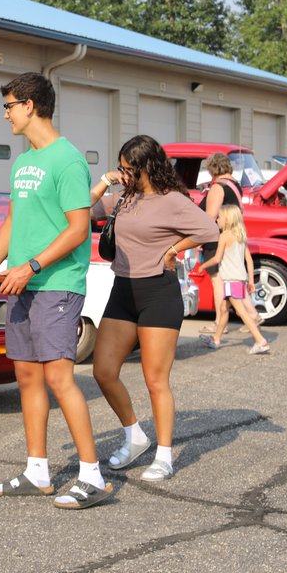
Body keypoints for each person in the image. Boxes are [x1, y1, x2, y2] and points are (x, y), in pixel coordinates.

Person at [0, 71, 109, 510]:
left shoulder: (67, 160)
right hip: (21, 283)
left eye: (8, 106)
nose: (5, 115)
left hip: (55, 284)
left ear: (30, 105)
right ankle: (37, 471)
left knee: (58, 377)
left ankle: (92, 476)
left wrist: (30, 267)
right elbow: (14, 221)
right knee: (26, 375)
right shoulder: (23, 162)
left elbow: (78, 229)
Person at [88, 136, 218, 482]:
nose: (124, 174)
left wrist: (175, 249)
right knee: (103, 370)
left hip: (158, 294)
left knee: (155, 379)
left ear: (147, 166)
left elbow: (210, 228)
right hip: (122, 290)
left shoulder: (172, 200)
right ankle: (135, 435)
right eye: (121, 168)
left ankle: (164, 456)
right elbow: (83, 211)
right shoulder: (124, 198)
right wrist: (104, 181)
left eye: (129, 169)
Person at [198, 205, 272, 354]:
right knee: (223, 309)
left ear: (227, 219)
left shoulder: (224, 236)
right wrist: (250, 281)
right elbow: (249, 260)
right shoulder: (240, 235)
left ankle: (260, 341)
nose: (217, 219)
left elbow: (217, 258)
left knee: (242, 312)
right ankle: (216, 339)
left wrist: (203, 266)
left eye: (219, 217)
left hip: (230, 280)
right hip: (239, 279)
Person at [199, 152, 259, 334]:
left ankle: (219, 323)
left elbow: (211, 216)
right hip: (235, 235)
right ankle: (252, 313)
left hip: (217, 238)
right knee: (230, 279)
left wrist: (196, 236)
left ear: (212, 169)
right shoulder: (235, 185)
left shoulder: (218, 187)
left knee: (219, 282)